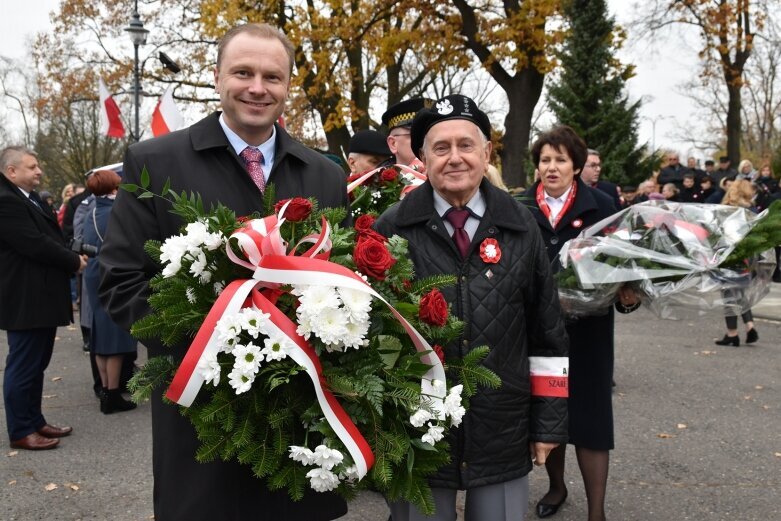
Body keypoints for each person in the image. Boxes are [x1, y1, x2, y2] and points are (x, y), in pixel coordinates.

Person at [98, 23, 349, 521]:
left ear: (287, 86)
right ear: (217, 78)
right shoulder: (154, 162)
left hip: (300, 421)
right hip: (201, 415)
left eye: (272, 77)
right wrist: (217, 341)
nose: (258, 87)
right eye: (243, 72)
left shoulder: (325, 174)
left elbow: (344, 283)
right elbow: (121, 281)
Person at [375, 94, 569, 521]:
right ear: (422, 159)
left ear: (486, 152)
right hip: (418, 428)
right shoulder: (391, 226)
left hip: (503, 425)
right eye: (440, 148)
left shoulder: (522, 226)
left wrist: (550, 422)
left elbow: (548, 330)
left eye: (466, 145)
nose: (455, 158)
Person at [523, 126, 639, 521]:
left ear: (575, 165)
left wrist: (629, 294)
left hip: (589, 334)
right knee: (548, 410)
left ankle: (597, 511)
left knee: (590, 419)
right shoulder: (521, 209)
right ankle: (556, 488)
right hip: (538, 334)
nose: (551, 167)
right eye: (545, 160)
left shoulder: (603, 206)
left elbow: (627, 269)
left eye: (560, 160)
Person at [0, 146, 87, 450]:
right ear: (12, 171)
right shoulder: (6, 200)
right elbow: (34, 244)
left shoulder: (27, 197)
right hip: (26, 298)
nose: (38, 171)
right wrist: (72, 260)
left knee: (36, 364)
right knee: (24, 365)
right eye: (32, 167)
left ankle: (34, 420)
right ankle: (21, 430)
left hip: (39, 296)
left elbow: (49, 236)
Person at [82, 169, 138, 413]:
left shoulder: (91, 211)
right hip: (110, 272)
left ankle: (106, 389)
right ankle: (113, 393)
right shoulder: (114, 211)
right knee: (113, 335)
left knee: (100, 334)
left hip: (94, 272)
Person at [714, 179, 760, 347]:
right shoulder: (752, 210)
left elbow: (720, 234)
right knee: (741, 295)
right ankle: (750, 326)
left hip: (731, 257)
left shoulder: (728, 211)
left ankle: (732, 333)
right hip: (748, 259)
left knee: (729, 296)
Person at [381, 97, 433, 170]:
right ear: (393, 143)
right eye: (417, 136)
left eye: (433, 136)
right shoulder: (375, 180)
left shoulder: (450, 179)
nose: (427, 142)